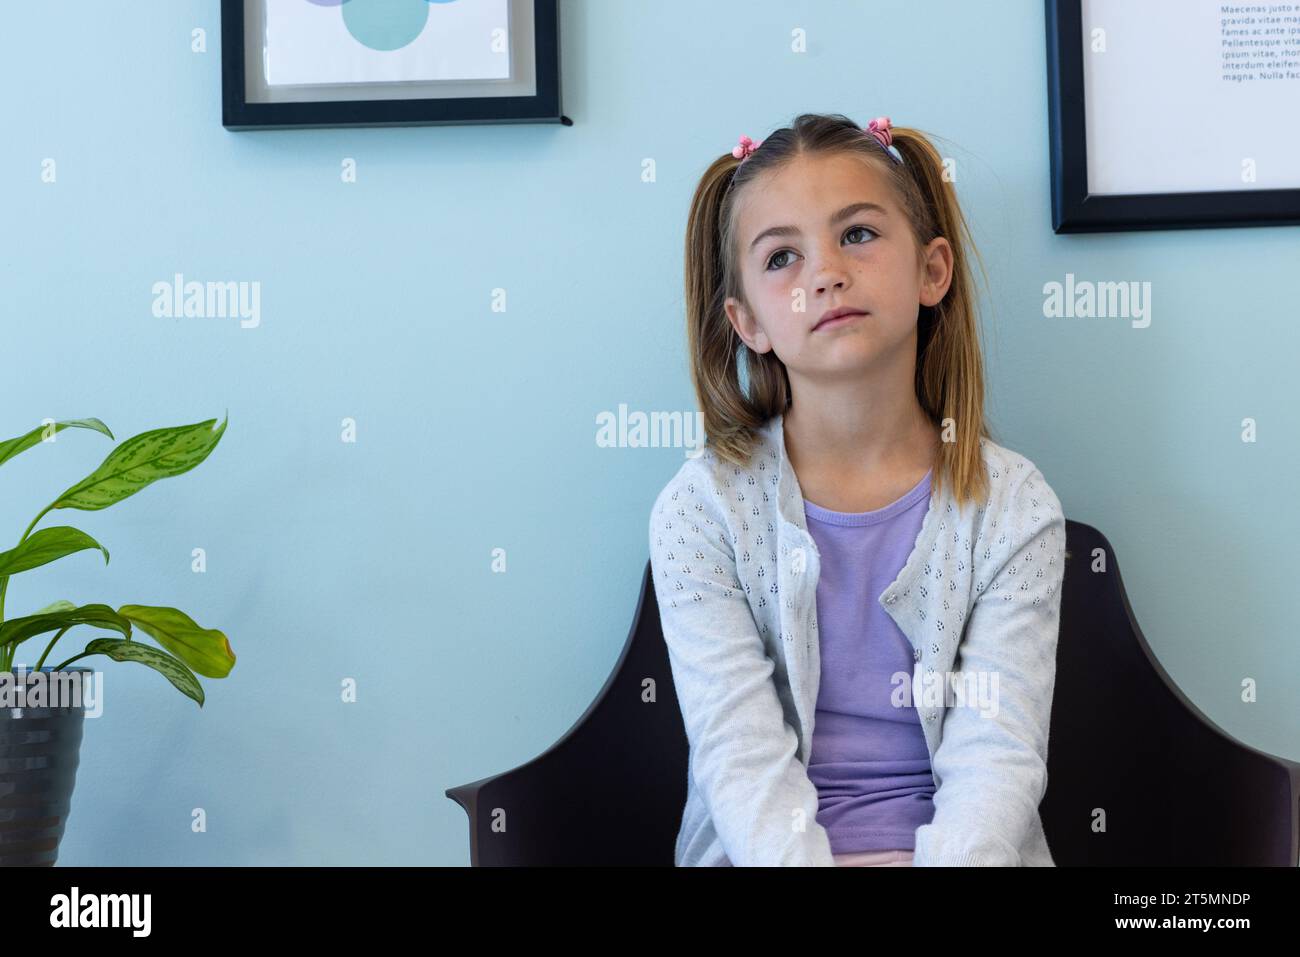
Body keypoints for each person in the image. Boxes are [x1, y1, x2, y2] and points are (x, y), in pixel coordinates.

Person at [648, 112, 1066, 866]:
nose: (825, 274)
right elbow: (738, 761)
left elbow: (998, 758)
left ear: (932, 271)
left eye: (859, 235)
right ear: (747, 322)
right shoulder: (700, 511)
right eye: (781, 256)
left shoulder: (1015, 505)